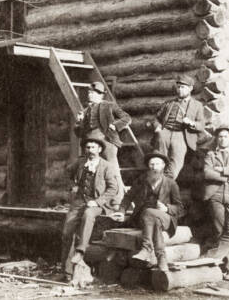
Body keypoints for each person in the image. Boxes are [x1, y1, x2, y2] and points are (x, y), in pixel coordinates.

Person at [113, 152, 185, 272]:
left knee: (149, 213)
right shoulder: (141, 181)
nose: (154, 167)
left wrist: (167, 208)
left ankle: (146, 249)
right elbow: (128, 197)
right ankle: (162, 259)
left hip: (165, 218)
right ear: (148, 166)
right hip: (142, 220)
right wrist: (121, 211)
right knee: (151, 217)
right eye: (151, 164)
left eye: (157, 164)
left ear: (163, 166)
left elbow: (180, 208)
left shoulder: (171, 184)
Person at [60, 130, 123, 270]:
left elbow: (113, 189)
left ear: (100, 149)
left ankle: (81, 251)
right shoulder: (81, 162)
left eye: (93, 147)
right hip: (79, 201)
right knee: (66, 232)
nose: (90, 150)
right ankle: (66, 270)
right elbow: (67, 174)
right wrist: (72, 187)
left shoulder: (107, 166)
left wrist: (98, 201)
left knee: (89, 214)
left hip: (99, 203)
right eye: (88, 147)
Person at [201, 126, 229, 281]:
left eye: (225, 136)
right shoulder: (210, 154)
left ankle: (211, 256)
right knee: (220, 231)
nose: (222, 139)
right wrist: (226, 176)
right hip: (215, 194)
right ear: (216, 139)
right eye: (220, 136)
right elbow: (207, 173)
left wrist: (222, 169)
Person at [151, 74, 206, 179]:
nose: (180, 90)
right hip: (164, 133)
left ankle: (166, 186)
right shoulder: (169, 103)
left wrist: (191, 122)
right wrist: (157, 127)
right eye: (178, 87)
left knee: (175, 164)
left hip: (181, 135)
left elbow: (201, 125)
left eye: (183, 87)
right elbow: (156, 118)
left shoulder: (197, 105)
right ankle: (157, 184)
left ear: (190, 88)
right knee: (158, 161)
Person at [74, 81, 131, 169]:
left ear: (100, 95)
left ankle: (118, 183)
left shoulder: (109, 106)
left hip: (107, 140)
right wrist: (79, 122)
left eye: (92, 93)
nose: (90, 95)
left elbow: (127, 118)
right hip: (90, 144)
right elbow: (79, 133)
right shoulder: (85, 111)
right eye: (89, 93)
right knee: (90, 168)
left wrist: (115, 125)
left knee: (112, 167)